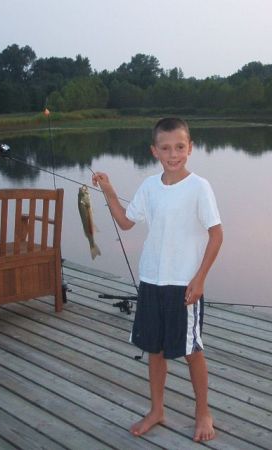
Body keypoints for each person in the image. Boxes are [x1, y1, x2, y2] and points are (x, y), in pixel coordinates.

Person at [92, 117, 223, 442]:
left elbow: (216, 235)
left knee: (192, 350)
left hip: (185, 285)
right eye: (165, 148)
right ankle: (157, 409)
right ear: (154, 151)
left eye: (180, 147)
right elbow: (125, 222)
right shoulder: (149, 187)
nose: (173, 153)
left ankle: (203, 410)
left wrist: (200, 278)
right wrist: (109, 191)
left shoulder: (199, 187)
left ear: (190, 148)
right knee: (154, 350)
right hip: (151, 281)